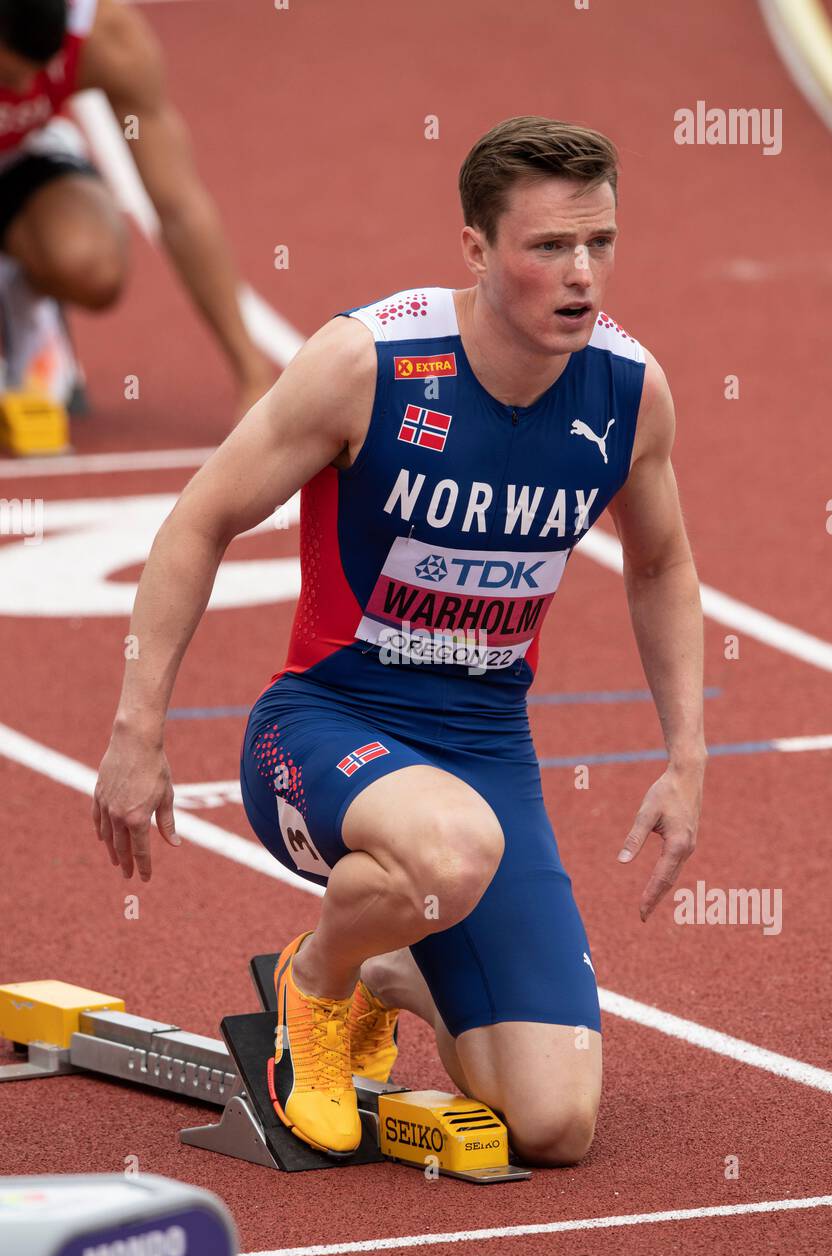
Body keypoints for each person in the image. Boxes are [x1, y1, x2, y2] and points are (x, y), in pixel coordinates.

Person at [93, 116, 707, 1167]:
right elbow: (198, 519)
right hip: (322, 731)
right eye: (548, 246)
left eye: (599, 243)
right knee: (453, 848)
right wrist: (136, 728)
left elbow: (658, 566)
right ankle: (316, 981)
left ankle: (387, 972)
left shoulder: (625, 392)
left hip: (485, 758)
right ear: (473, 249)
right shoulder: (366, 363)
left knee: (554, 1124)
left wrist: (685, 758)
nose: (582, 274)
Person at [0, 0, 272, 415]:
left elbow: (178, 206)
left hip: (20, 160)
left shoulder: (107, 38)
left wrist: (252, 376)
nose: (22, 92)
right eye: (9, 75)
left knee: (90, 263)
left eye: (41, 72)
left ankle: (25, 294)